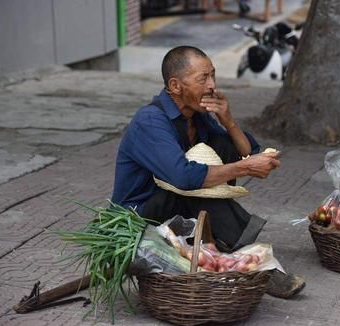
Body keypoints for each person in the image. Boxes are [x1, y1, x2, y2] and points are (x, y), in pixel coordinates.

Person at [111, 45, 305, 298]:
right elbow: (184, 177)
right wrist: (246, 167)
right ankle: (259, 266)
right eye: (203, 78)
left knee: (222, 144)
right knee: (195, 189)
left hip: (175, 204)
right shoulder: (150, 120)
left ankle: (222, 243)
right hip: (139, 213)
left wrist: (229, 121)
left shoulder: (197, 115)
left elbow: (245, 151)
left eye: (213, 75)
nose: (212, 85)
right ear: (175, 86)